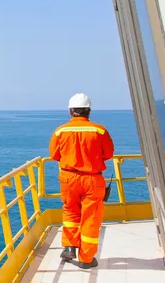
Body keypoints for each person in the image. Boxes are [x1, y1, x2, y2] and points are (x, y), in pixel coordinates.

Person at [49, 93, 115, 269]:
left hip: (69, 178)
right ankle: (86, 258)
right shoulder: (99, 131)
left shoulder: (60, 131)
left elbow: (54, 155)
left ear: (71, 111)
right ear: (89, 111)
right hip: (93, 179)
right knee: (91, 217)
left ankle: (69, 247)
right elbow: (108, 153)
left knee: (70, 211)